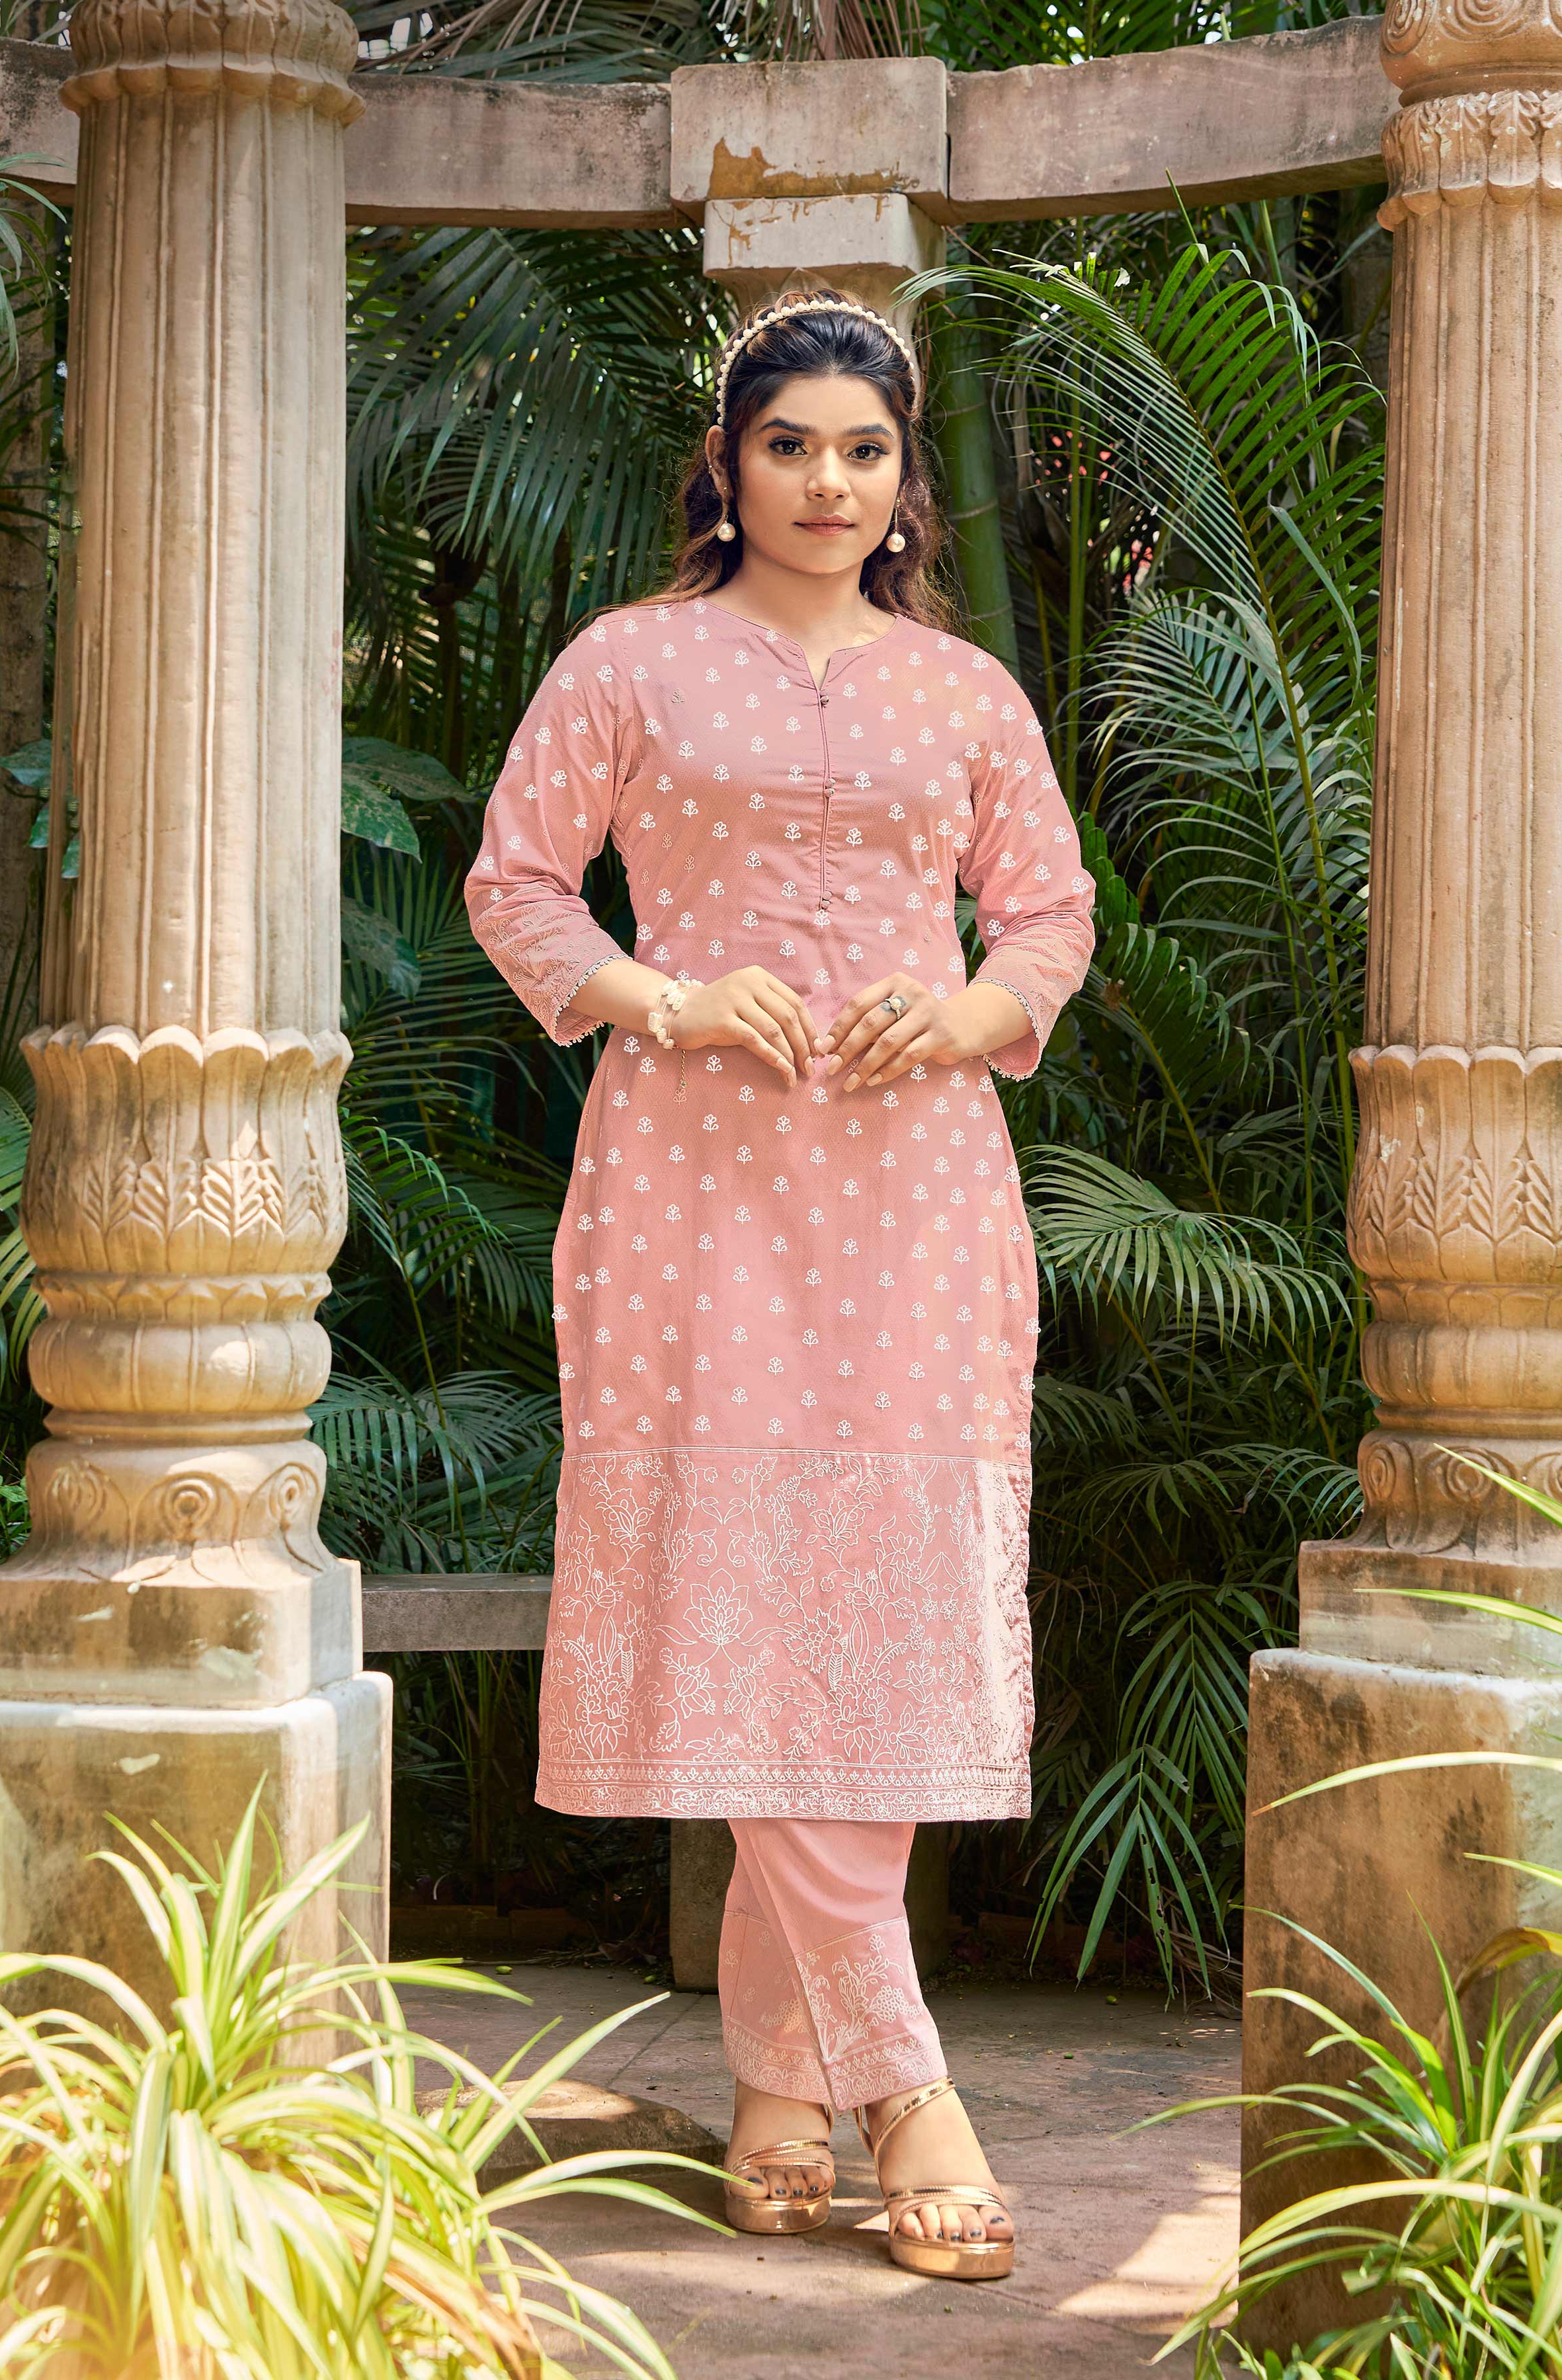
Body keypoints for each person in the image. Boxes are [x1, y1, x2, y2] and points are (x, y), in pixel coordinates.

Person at [465, 288, 1096, 2283]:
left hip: (916, 1191)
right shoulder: (631, 662)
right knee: (747, 1592)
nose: (830, 482)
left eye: (865, 450)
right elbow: (515, 879)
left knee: (870, 1605)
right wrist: (655, 994)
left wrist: (973, 1009)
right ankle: (907, 2084)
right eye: (791, 445)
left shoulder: (964, 695)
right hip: (693, 1184)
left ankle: (773, 2078)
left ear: (905, 479)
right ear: (728, 467)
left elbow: (1052, 912)